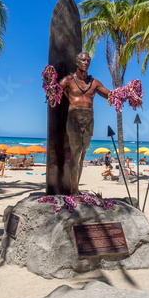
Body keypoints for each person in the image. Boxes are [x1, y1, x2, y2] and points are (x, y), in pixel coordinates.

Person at [59, 52, 111, 194]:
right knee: (75, 154)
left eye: (88, 60)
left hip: (89, 118)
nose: (86, 62)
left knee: (82, 155)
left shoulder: (94, 83)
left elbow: (109, 94)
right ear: (77, 62)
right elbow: (55, 92)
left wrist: (125, 93)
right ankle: (73, 190)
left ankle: (76, 188)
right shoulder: (68, 80)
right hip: (74, 117)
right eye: (83, 60)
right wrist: (49, 82)